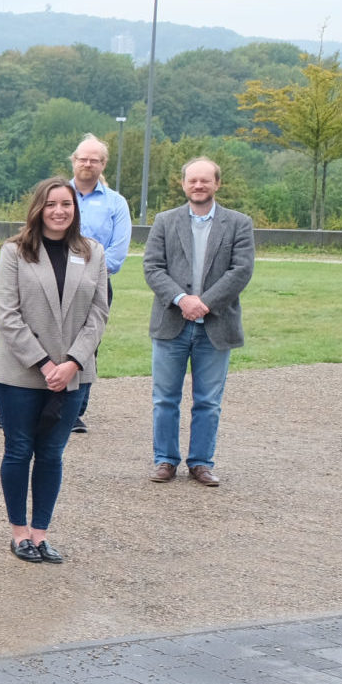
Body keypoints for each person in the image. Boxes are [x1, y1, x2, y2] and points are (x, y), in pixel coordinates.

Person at [0, 178, 111, 563]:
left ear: (75, 209)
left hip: (72, 373)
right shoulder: (15, 251)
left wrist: (72, 363)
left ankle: (40, 535)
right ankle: (19, 533)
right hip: (21, 373)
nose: (59, 211)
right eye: (51, 204)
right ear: (38, 208)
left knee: (52, 454)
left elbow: (98, 313)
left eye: (67, 204)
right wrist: (45, 364)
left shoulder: (93, 252)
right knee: (19, 449)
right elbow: (7, 316)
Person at [0, 136, 131, 436]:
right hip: (41, 277)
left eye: (95, 159)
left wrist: (85, 273)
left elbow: (117, 252)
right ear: (74, 160)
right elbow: (8, 314)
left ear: (103, 164)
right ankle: (21, 400)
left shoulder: (115, 203)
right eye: (83, 158)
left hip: (91, 280)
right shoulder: (58, 192)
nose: (88, 163)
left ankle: (73, 407)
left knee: (83, 345)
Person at [143, 158, 255, 487]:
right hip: (171, 323)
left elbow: (241, 270)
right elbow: (152, 267)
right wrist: (182, 300)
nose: (198, 186)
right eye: (192, 180)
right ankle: (165, 460)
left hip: (216, 325)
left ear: (217, 184)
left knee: (208, 401)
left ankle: (201, 463)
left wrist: (204, 303)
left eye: (205, 181)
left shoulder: (239, 224)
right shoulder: (165, 221)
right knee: (165, 399)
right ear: (183, 184)